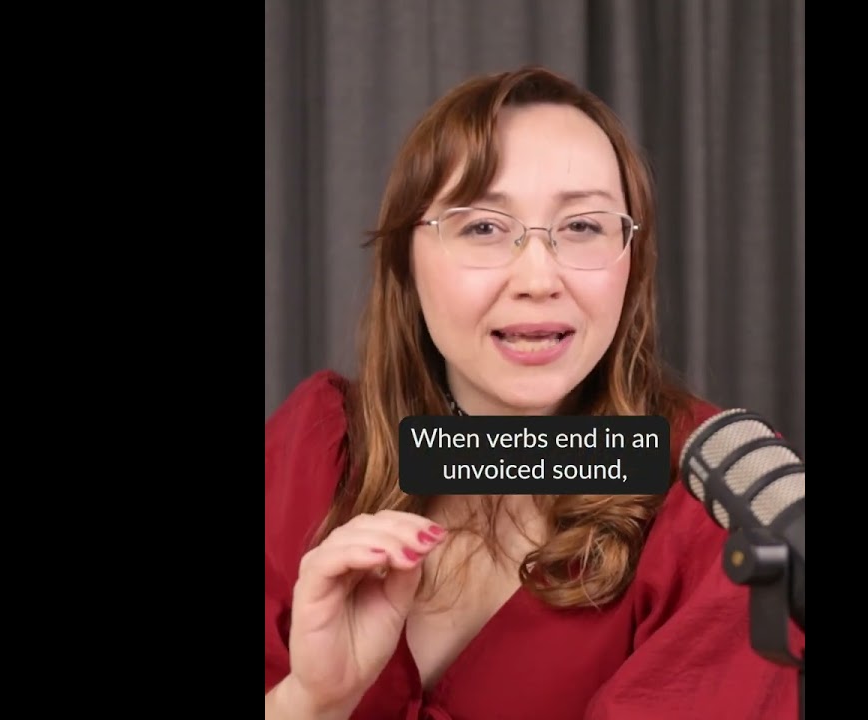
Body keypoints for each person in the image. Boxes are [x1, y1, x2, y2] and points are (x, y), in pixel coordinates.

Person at [264, 65, 803, 719]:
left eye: (583, 226)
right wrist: (312, 703)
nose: (539, 278)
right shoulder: (314, 451)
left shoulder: (724, 496)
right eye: (483, 228)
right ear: (406, 260)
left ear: (631, 262)